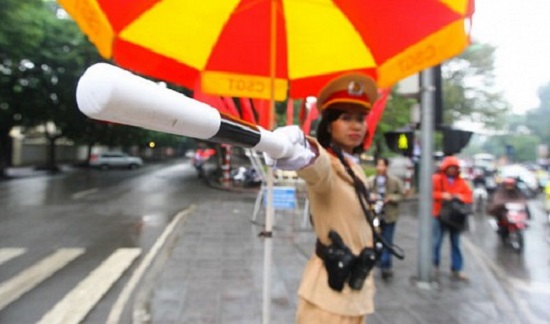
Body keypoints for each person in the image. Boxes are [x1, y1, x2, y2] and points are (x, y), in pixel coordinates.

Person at [265, 73, 383, 323]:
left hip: (356, 291)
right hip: (328, 299)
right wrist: (296, 149)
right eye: (345, 117)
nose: (356, 125)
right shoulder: (328, 164)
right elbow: (315, 167)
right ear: (329, 125)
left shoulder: (353, 166)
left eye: (361, 118)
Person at [432, 156, 473, 281]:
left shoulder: (462, 182)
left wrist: (460, 197)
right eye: (450, 168)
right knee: (436, 242)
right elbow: (429, 193)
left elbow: (469, 197)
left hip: (455, 218)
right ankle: (434, 265)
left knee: (456, 243)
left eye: (454, 168)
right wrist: (442, 195)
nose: (452, 170)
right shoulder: (437, 179)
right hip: (439, 215)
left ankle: (457, 268)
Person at [366, 157, 404, 280]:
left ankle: (386, 266)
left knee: (388, 240)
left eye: (383, 165)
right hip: (375, 215)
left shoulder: (394, 181)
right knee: (375, 239)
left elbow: (401, 195)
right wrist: (371, 197)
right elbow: (364, 194)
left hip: (390, 215)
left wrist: (391, 198)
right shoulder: (371, 181)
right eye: (379, 165)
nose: (381, 168)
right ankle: (376, 261)